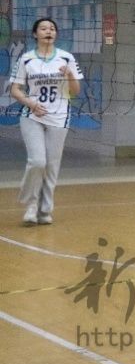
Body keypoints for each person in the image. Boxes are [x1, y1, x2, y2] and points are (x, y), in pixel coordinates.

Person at [9, 17, 82, 226]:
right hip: (32, 115)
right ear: (35, 34)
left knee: (51, 166)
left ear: (55, 34)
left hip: (59, 116)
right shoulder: (26, 59)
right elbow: (15, 89)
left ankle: (45, 210)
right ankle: (31, 206)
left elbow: (75, 91)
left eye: (52, 28)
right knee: (37, 161)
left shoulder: (66, 58)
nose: (48, 31)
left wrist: (69, 75)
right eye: (43, 28)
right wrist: (30, 103)